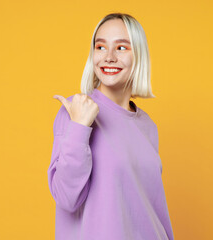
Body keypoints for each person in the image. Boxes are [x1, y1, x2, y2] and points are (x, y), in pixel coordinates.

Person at [47, 12, 174, 240]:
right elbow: (66, 198)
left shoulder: (148, 126)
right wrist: (79, 127)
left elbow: (154, 209)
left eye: (122, 48)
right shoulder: (77, 110)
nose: (109, 57)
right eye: (101, 47)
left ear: (139, 55)